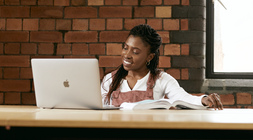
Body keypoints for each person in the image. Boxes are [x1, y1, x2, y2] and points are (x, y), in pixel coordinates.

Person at [101, 24, 223, 110]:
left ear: (150, 57)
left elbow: (183, 98)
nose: (126, 55)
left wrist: (204, 100)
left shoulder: (161, 79)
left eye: (135, 52)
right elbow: (97, 107)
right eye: (125, 48)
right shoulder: (109, 80)